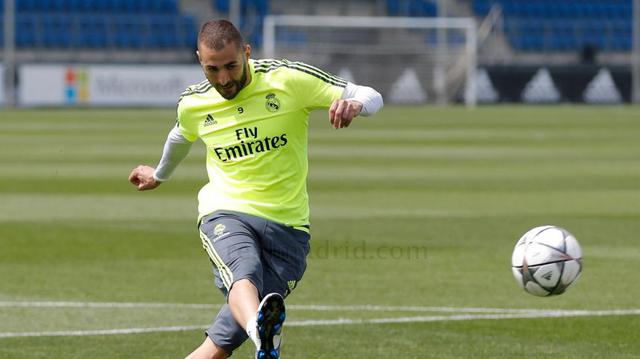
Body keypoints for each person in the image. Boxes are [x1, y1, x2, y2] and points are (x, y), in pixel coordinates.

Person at [128, 19, 382, 359]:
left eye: (231, 66)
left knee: (218, 345)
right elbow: (179, 136)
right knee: (241, 272)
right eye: (212, 69)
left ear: (247, 53)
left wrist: (356, 105)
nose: (223, 79)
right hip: (226, 211)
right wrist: (159, 175)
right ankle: (262, 336)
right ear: (199, 61)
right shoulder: (194, 103)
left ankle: (259, 334)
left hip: (289, 228)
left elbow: (371, 95)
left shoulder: (288, 79)